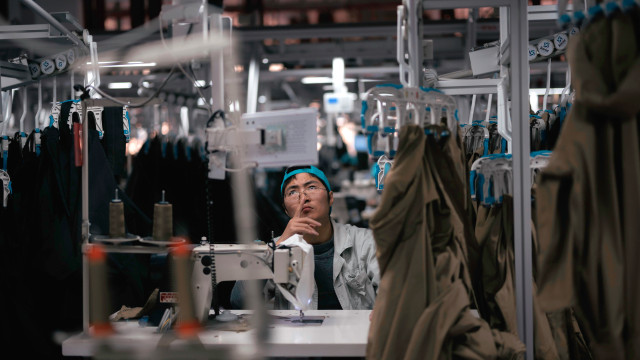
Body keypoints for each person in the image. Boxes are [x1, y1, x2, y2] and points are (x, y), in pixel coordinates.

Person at [230, 165, 380, 310]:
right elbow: (239, 302)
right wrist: (277, 248)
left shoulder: (364, 242)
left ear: (330, 198)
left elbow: (391, 289)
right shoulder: (275, 248)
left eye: (312, 187)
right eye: (293, 192)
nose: (304, 197)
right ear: (285, 210)